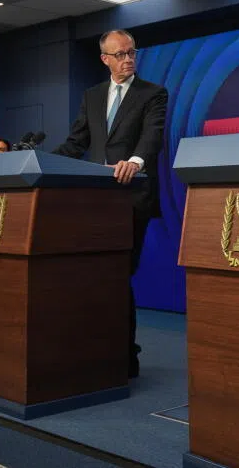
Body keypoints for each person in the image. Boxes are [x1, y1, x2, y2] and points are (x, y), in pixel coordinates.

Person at [53, 29, 167, 378]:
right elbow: (76, 143)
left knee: (118, 274)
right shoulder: (92, 95)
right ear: (105, 59)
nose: (128, 58)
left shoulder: (153, 93)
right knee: (97, 274)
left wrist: (134, 162)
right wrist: (39, 163)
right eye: (120, 54)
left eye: (132, 52)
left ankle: (125, 353)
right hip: (97, 202)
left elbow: (153, 136)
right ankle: (99, 347)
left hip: (132, 198)